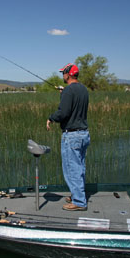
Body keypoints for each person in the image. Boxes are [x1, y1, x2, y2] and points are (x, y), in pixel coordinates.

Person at [47, 63, 90, 211]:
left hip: (72, 136)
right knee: (80, 168)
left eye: (63, 73)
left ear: (68, 74)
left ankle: (79, 202)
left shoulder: (68, 91)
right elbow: (74, 104)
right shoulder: (83, 90)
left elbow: (63, 113)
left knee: (72, 169)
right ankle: (77, 195)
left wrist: (51, 118)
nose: (62, 75)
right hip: (84, 134)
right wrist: (64, 94)